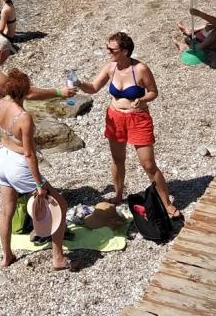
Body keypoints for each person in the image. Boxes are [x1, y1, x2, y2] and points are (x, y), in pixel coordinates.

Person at [0, 35, 75, 247]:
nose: (7, 59)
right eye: (7, 55)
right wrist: (59, 92)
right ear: (0, 53)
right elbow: (26, 93)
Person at [74, 32, 181, 218]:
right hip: (115, 118)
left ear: (125, 51)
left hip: (138, 118)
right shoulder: (110, 67)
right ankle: (117, 195)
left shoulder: (140, 69)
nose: (108, 52)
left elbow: (153, 92)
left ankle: (167, 203)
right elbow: (93, 88)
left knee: (148, 164)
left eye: (112, 49)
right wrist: (78, 83)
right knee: (117, 159)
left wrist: (142, 99)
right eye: (108, 48)